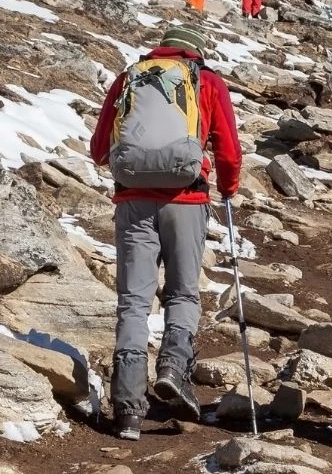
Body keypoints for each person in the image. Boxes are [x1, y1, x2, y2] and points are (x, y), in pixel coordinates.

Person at [88, 23, 241, 440]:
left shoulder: (129, 79)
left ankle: (127, 409)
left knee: (134, 302)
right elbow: (227, 146)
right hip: (187, 200)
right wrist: (228, 187)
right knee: (182, 292)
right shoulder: (206, 81)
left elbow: (100, 149)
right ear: (195, 52)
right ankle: (174, 368)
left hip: (133, 200)